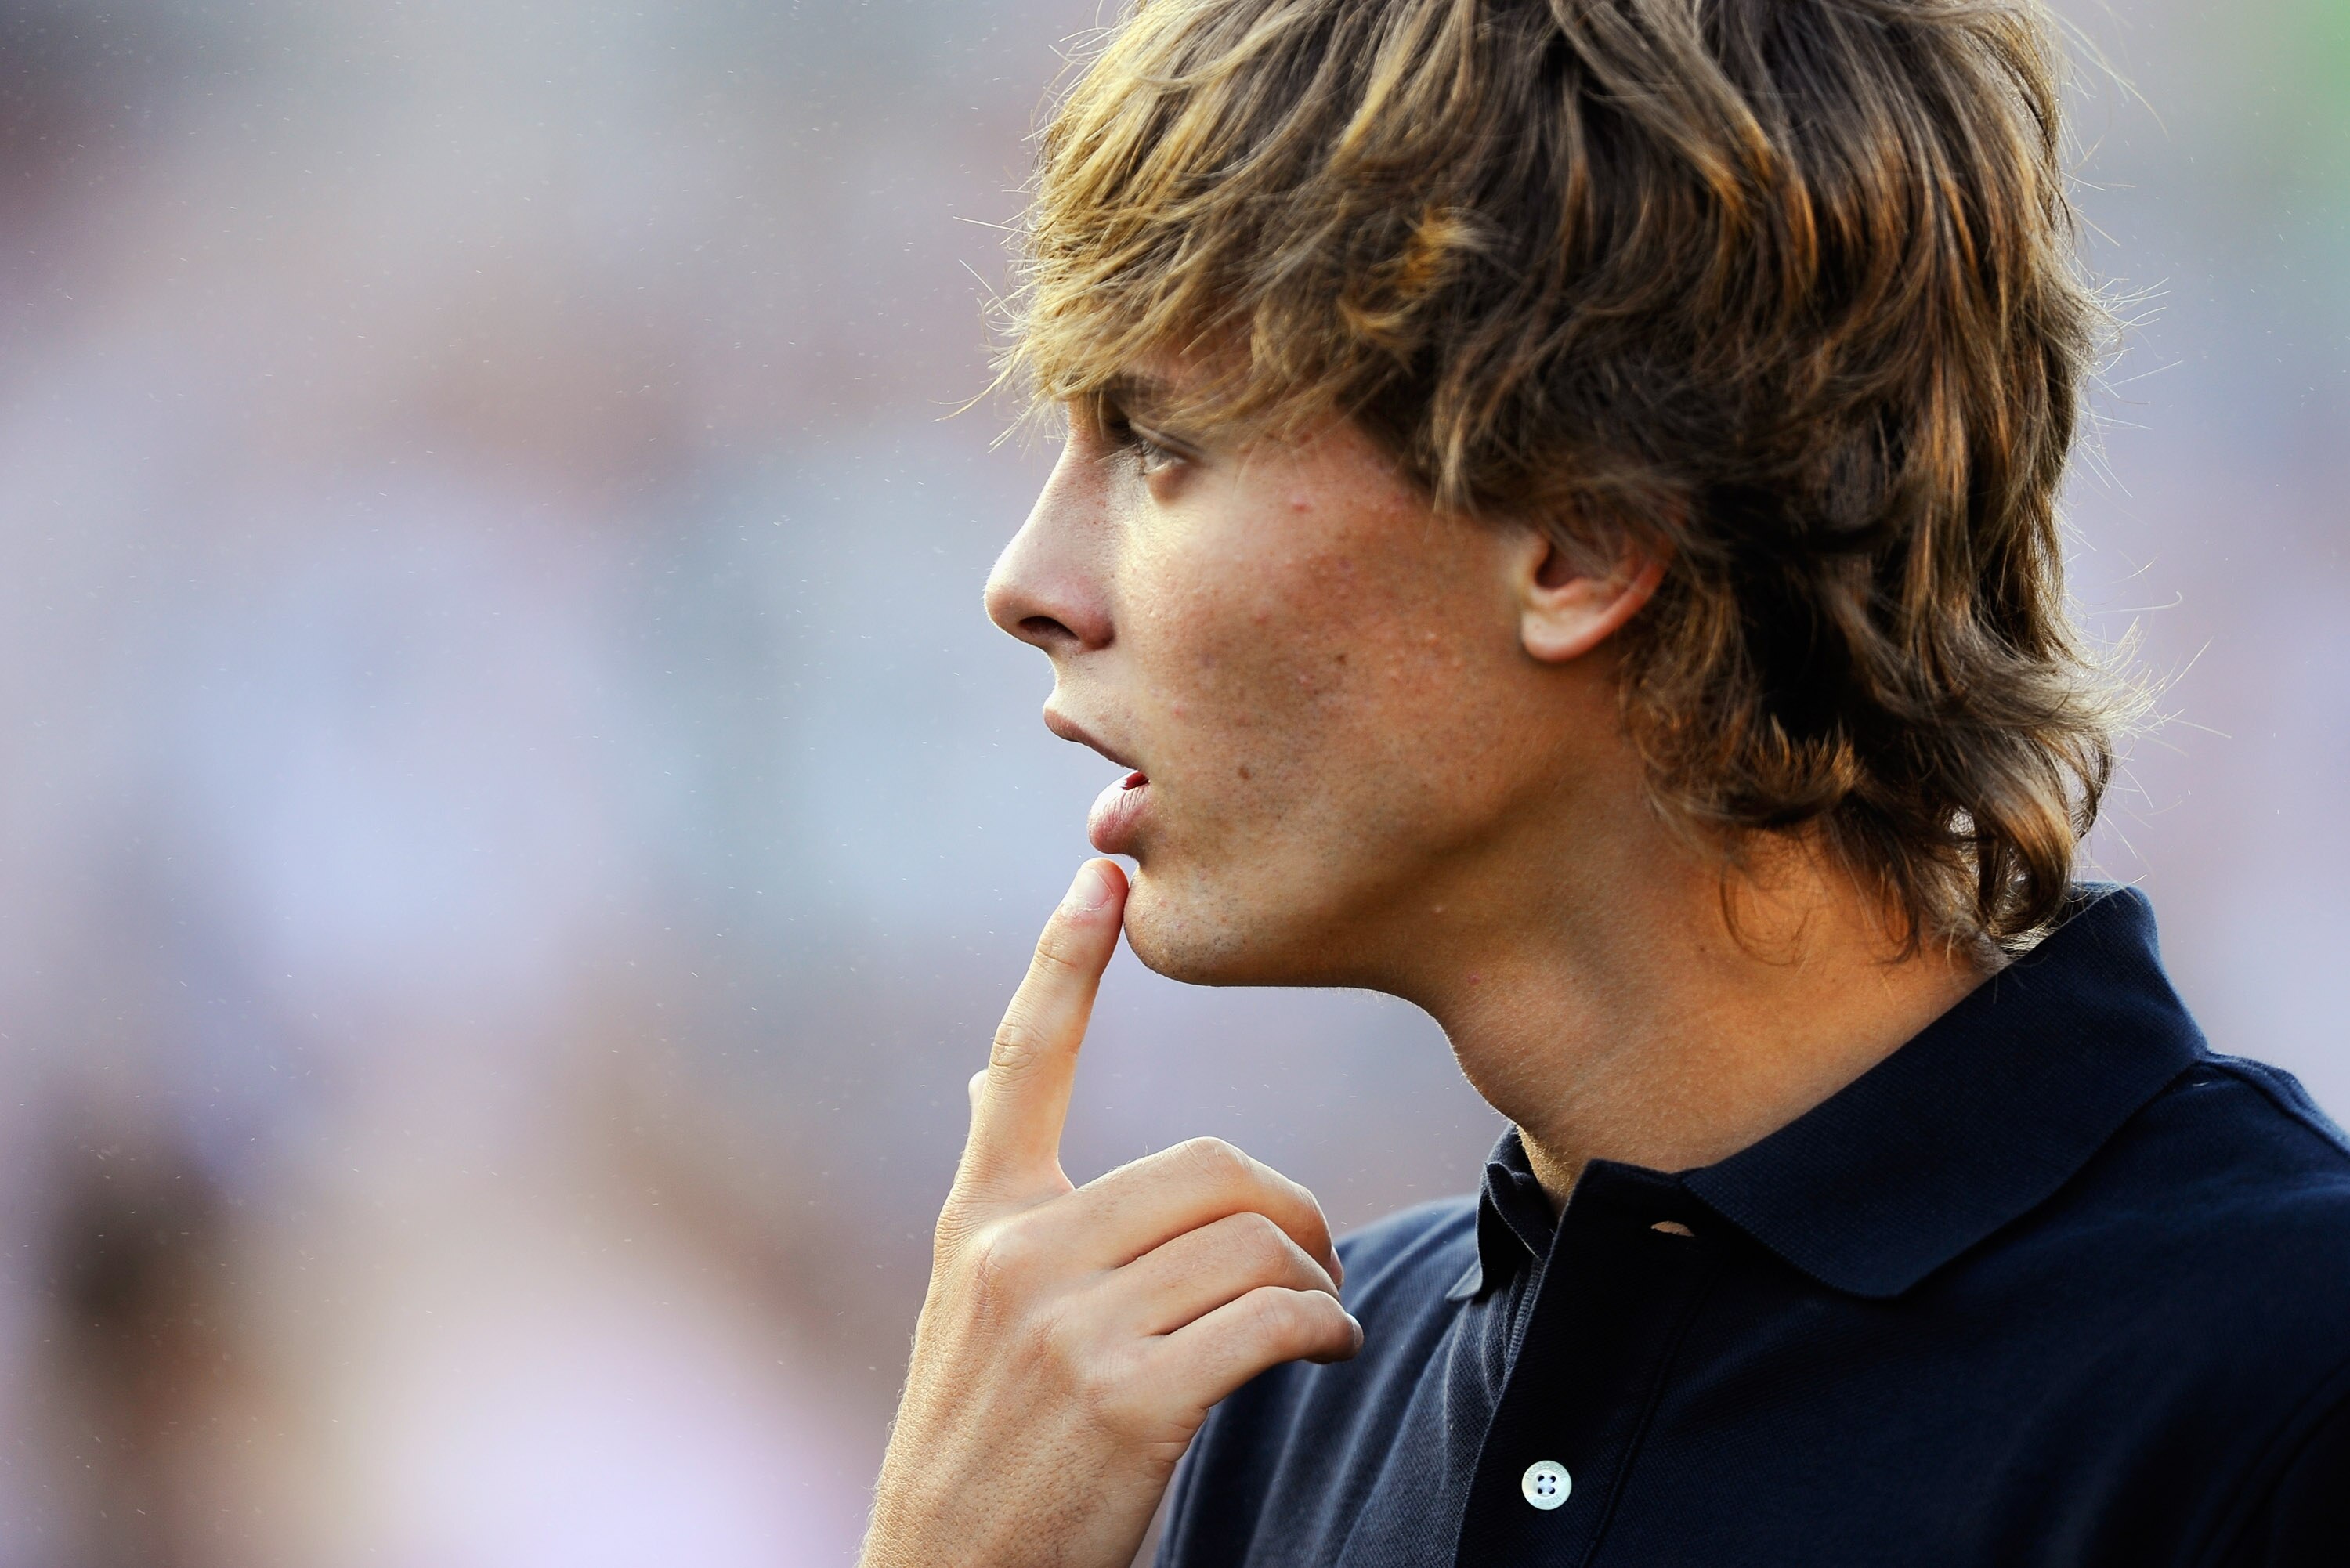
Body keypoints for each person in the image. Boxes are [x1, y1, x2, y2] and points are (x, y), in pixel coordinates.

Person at [859, 0, 2350, 1562]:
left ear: (1578, 533)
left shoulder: (2282, 1385)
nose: (1029, 581)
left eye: (1158, 441)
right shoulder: (1265, 1416)